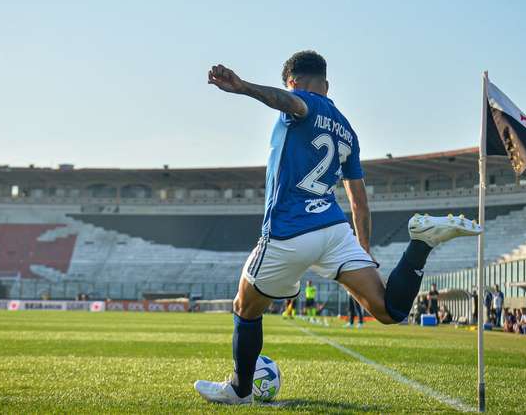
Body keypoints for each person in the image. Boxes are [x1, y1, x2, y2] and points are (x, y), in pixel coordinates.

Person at [194, 51, 482, 404]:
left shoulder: (301, 103)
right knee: (388, 310)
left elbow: (288, 102)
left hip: (289, 230)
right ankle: (420, 245)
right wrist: (364, 249)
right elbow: (359, 202)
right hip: (334, 230)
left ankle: (239, 391)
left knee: (245, 307)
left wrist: (243, 87)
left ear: (294, 82)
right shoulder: (347, 129)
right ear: (327, 84)